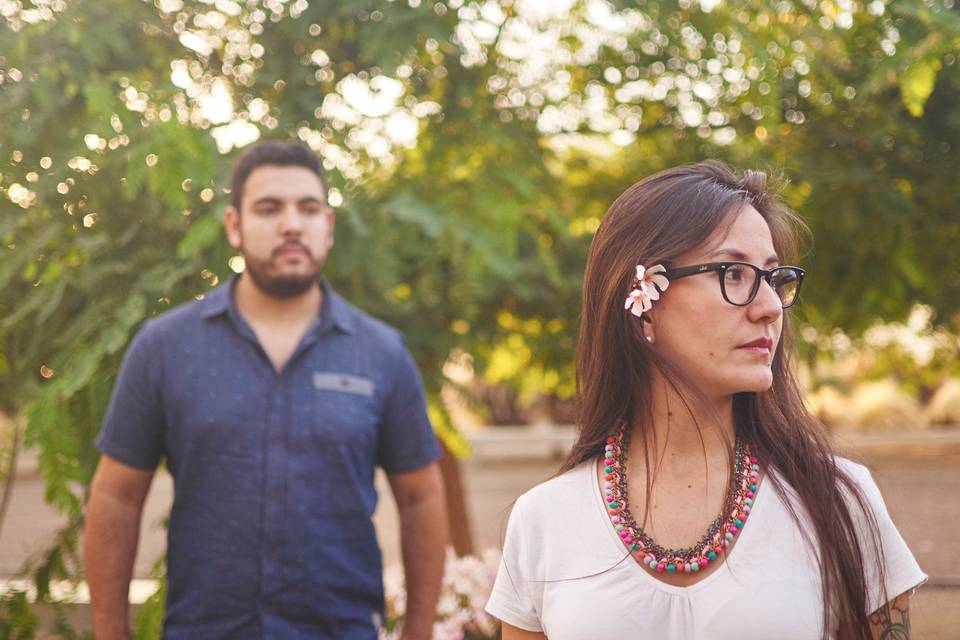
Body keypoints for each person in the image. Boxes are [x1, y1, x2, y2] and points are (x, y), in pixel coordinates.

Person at [485, 161, 926, 639]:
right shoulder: (545, 520)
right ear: (643, 302)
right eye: (733, 273)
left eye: (775, 279)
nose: (771, 307)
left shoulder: (838, 500)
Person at [84, 141, 448, 639]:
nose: (292, 224)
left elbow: (422, 498)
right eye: (269, 208)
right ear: (234, 226)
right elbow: (116, 497)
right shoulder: (165, 348)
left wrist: (418, 633)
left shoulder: (382, 354)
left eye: (309, 208)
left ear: (329, 227)